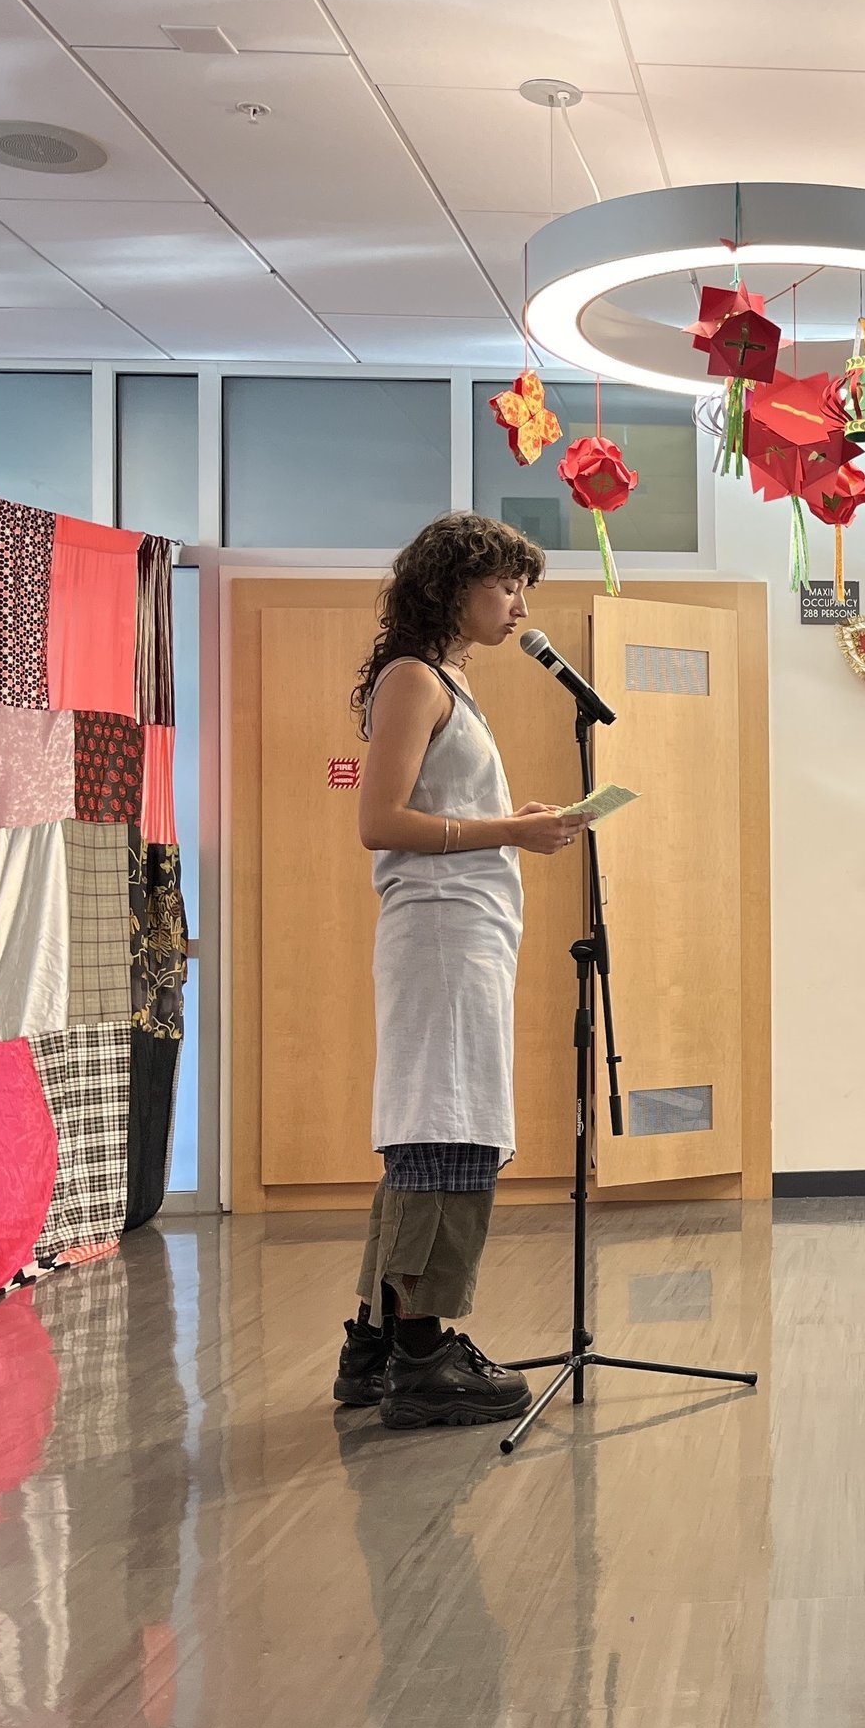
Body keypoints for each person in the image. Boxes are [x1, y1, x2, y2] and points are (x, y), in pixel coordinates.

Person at [331, 513, 588, 1430]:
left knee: (442, 1123)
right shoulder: (413, 678)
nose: (519, 606)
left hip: (465, 932)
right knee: (444, 1128)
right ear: (453, 587)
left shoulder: (447, 680)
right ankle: (421, 1351)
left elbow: (440, 805)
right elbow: (380, 821)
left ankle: (376, 1343)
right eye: (506, 586)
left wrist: (508, 821)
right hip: (442, 935)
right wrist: (510, 830)